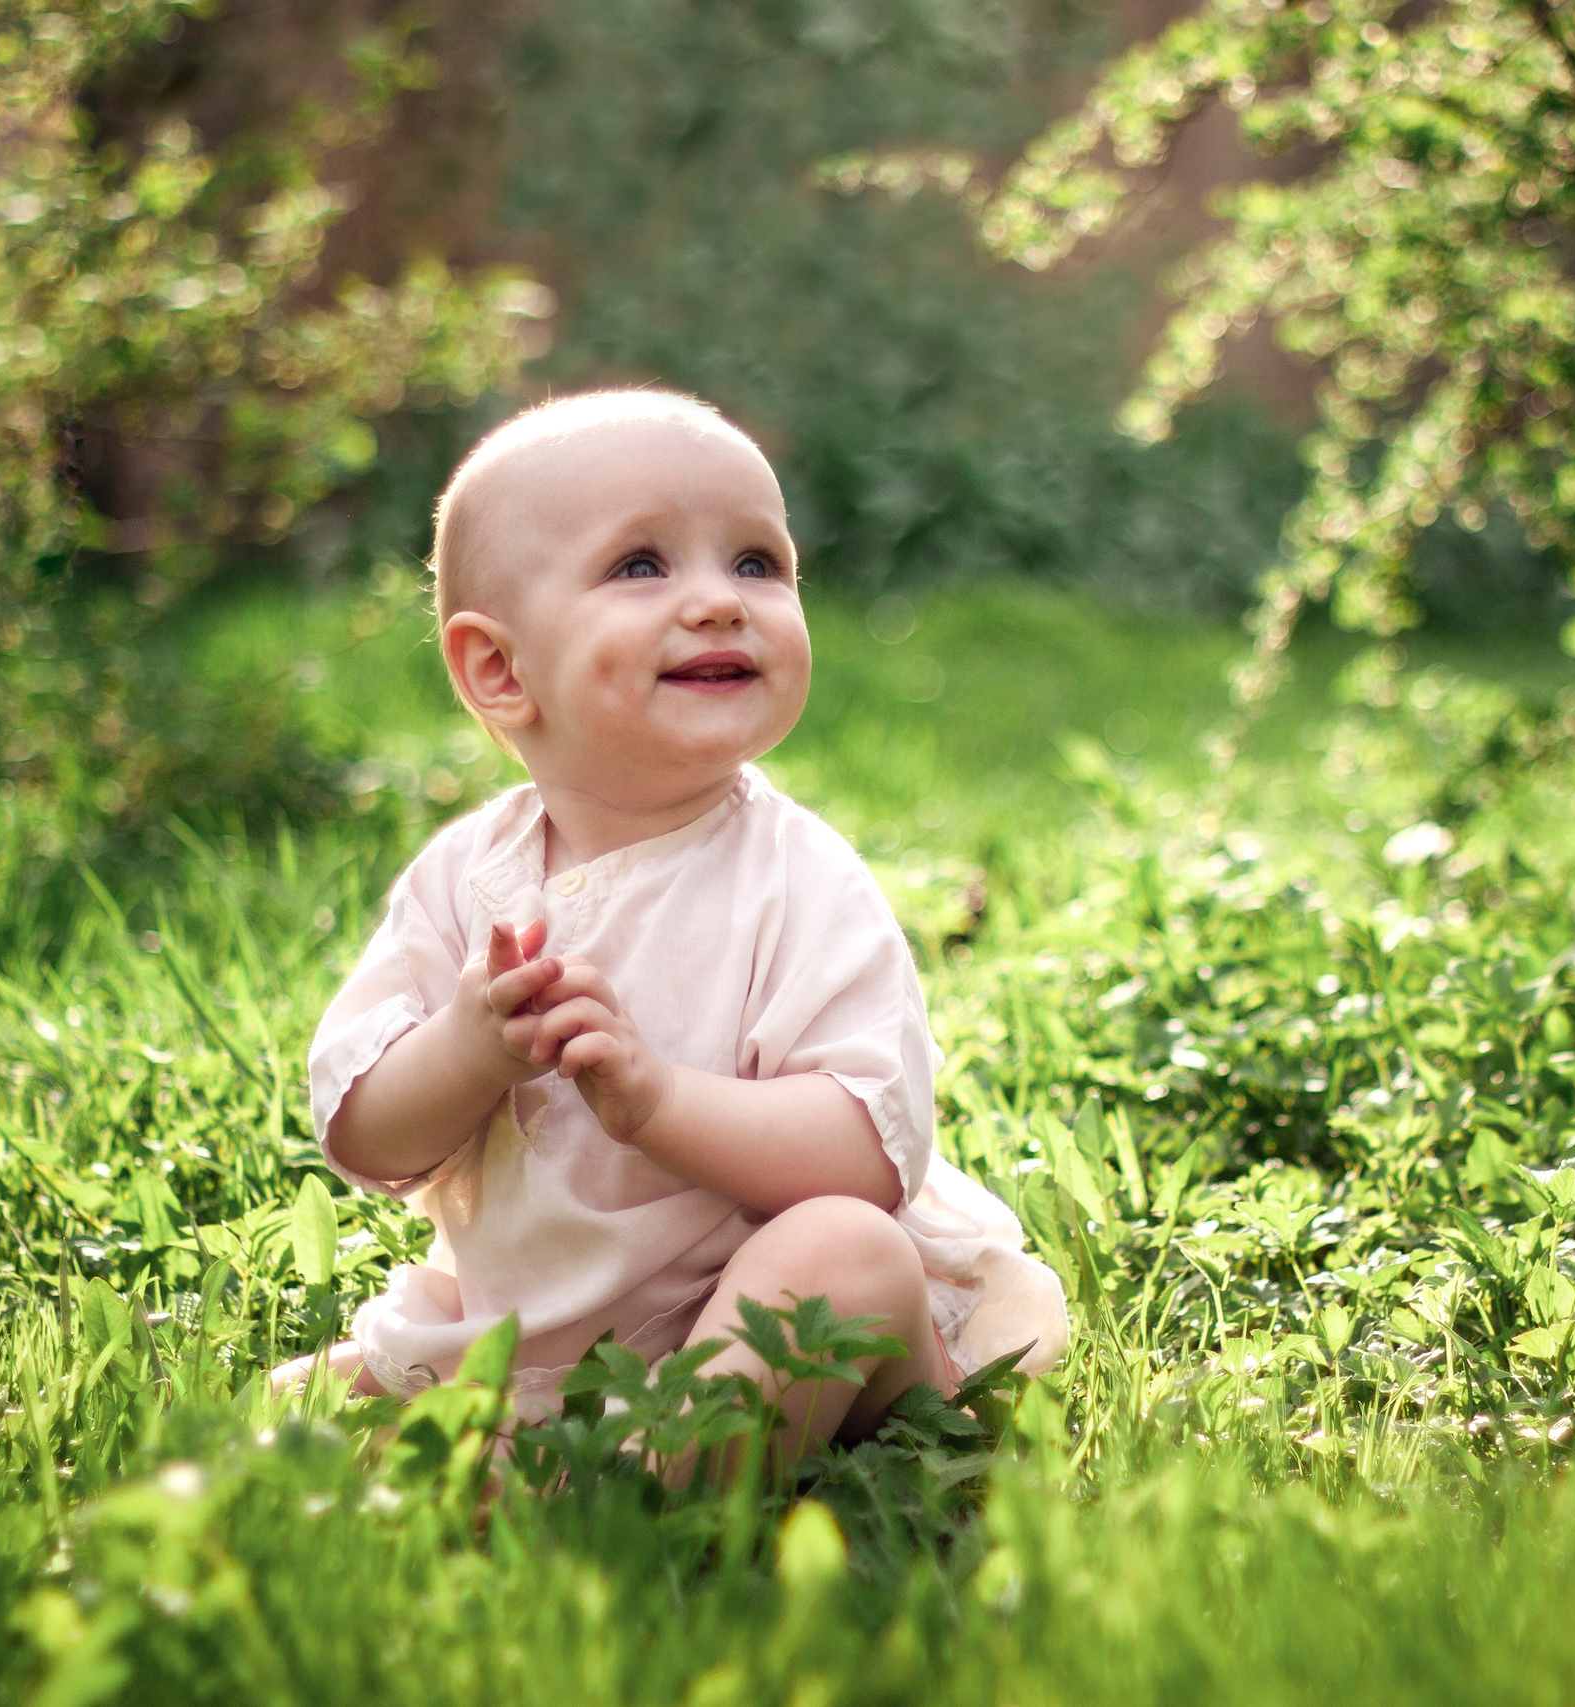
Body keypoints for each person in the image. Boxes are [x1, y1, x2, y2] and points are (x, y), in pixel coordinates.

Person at [273, 389, 1067, 1463]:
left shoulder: (796, 880)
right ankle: (539, 1432)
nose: (719, 603)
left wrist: (656, 1102)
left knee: (848, 1252)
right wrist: (467, 1051)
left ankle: (655, 1483)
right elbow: (366, 1137)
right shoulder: (468, 880)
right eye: (642, 566)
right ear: (501, 671)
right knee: (297, 1408)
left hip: (766, 1325)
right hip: (543, 1335)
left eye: (757, 564)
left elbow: (866, 1153)